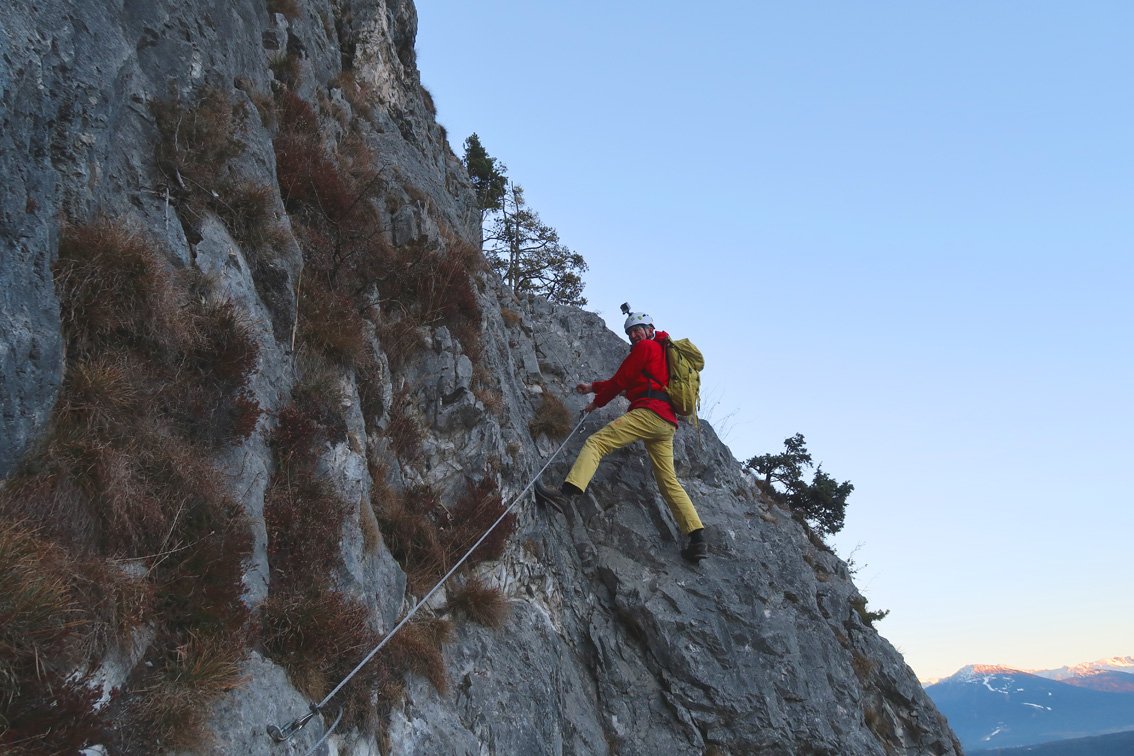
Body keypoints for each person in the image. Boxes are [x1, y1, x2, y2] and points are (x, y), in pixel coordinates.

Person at [535, 309, 707, 562]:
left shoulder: (646, 348)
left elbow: (620, 381)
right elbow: (627, 383)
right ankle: (697, 538)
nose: (634, 335)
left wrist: (595, 403)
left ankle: (566, 494)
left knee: (596, 443)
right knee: (668, 482)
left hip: (649, 413)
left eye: (638, 330)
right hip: (666, 423)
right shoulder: (661, 353)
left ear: (650, 330)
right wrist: (593, 387)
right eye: (630, 332)